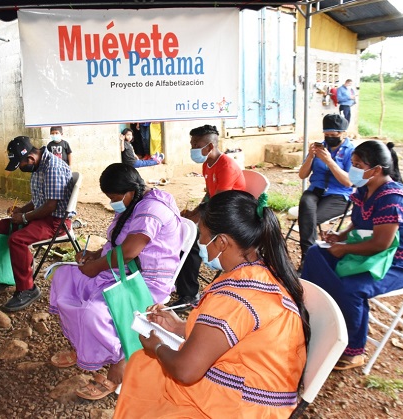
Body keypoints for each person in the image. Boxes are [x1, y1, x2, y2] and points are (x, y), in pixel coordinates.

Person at [115, 190, 310, 418]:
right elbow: (238, 333)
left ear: (222, 242)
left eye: (203, 235)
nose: (199, 243)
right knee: (144, 367)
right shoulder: (260, 272)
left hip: (245, 407)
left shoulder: (235, 295)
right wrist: (179, 327)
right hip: (255, 391)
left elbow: (185, 371)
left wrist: (157, 347)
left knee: (148, 367)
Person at [48, 163, 184, 400]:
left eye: (114, 197)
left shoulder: (152, 208)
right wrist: (96, 255)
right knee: (64, 276)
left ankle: (117, 363)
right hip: (120, 270)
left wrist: (95, 267)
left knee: (94, 311)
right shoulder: (134, 202)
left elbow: (129, 251)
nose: (113, 202)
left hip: (144, 283)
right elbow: (119, 243)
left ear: (131, 190)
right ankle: (84, 346)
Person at [302, 141, 403, 370]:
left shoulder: (393, 198)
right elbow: (357, 223)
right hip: (365, 252)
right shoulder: (365, 189)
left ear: (376, 169)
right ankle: (319, 318)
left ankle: (353, 350)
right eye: (353, 163)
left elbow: (381, 243)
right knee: (316, 254)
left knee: (351, 287)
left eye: (357, 165)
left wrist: (344, 248)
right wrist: (340, 236)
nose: (352, 169)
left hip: (395, 264)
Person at [0, 136, 73, 311]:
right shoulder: (38, 166)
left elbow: (50, 206)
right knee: (0, 227)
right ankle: (7, 277)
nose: (20, 169)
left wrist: (25, 218)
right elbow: (39, 200)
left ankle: (27, 288)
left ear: (30, 158)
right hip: (44, 216)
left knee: (17, 240)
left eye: (20, 165)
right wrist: (21, 210)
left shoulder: (52, 168)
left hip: (56, 222)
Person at [171, 124, 246, 310]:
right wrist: (194, 213)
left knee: (191, 241)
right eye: (192, 144)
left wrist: (198, 220)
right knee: (183, 231)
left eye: (196, 145)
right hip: (219, 209)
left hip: (232, 214)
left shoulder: (226, 166)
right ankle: (182, 284)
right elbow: (209, 197)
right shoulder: (207, 164)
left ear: (210, 147)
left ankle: (189, 295)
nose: (192, 149)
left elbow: (219, 202)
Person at [296, 114, 354, 264]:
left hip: (339, 194)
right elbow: (302, 175)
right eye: (326, 134)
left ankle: (308, 257)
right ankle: (309, 257)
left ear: (343, 133)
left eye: (333, 135)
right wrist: (310, 156)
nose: (329, 138)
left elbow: (348, 182)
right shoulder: (320, 147)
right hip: (316, 190)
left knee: (307, 218)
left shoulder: (351, 152)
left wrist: (329, 160)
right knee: (306, 202)